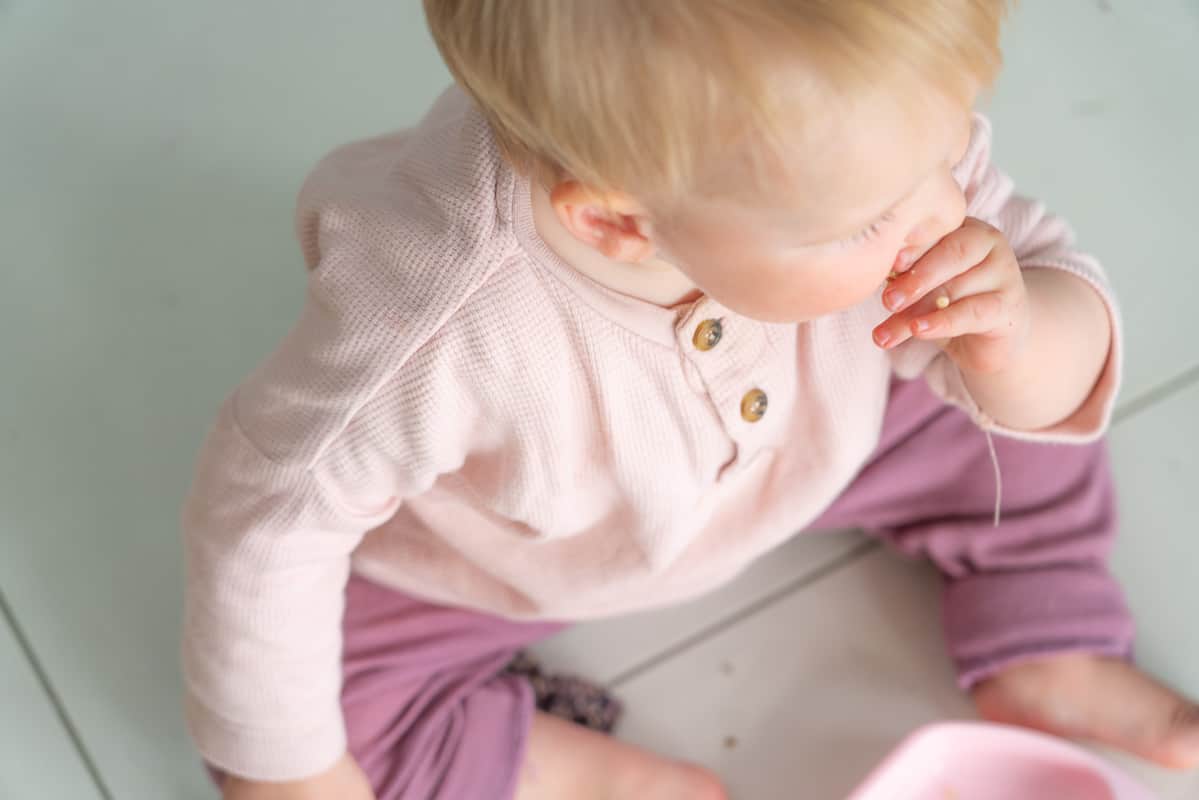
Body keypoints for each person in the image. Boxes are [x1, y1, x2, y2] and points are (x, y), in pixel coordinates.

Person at [182, 2, 1199, 798]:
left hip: (839, 425)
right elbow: (265, 524)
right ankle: (543, 764)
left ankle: (1041, 628)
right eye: (868, 219)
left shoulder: (866, 152)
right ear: (620, 222)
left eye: (941, 154)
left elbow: (1037, 290)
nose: (938, 207)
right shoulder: (432, 327)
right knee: (292, 728)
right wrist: (291, 771)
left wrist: (1015, 334)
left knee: (1014, 418)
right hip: (511, 556)